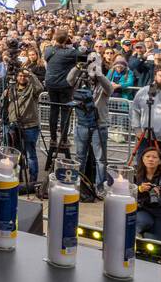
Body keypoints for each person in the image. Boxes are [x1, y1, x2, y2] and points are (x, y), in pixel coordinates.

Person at [68, 52, 115, 201]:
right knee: (80, 157)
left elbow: (110, 89)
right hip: (82, 124)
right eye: (90, 62)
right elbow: (69, 80)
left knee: (100, 159)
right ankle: (78, 185)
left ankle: (100, 187)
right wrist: (78, 67)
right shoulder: (81, 81)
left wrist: (99, 73)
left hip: (99, 125)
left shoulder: (103, 82)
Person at [43, 30, 87, 159]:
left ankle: (52, 138)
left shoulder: (48, 50)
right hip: (64, 85)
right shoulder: (69, 52)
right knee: (65, 111)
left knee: (53, 110)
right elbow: (83, 55)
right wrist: (75, 44)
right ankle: (63, 138)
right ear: (66, 39)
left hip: (50, 83)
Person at [6, 66, 44, 187]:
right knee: (16, 153)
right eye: (20, 75)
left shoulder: (32, 89)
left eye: (24, 76)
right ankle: (17, 176)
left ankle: (32, 181)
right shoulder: (11, 89)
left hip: (30, 126)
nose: (22, 78)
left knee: (30, 154)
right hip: (14, 126)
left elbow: (40, 88)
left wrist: (31, 73)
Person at [134, 147, 161, 240]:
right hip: (143, 208)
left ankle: (146, 234)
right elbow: (127, 194)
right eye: (147, 156)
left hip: (160, 212)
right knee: (143, 222)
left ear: (160, 161)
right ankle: (134, 234)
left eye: (154, 157)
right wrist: (140, 189)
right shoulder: (135, 174)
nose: (150, 159)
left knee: (155, 240)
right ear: (142, 159)